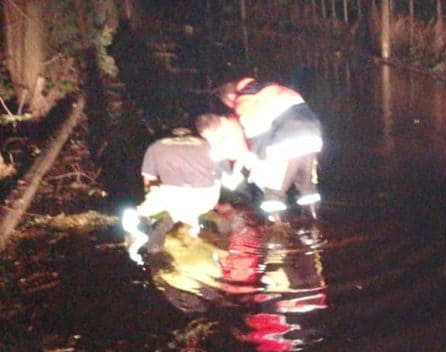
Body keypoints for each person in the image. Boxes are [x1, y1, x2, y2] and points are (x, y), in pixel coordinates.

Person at [121, 114, 236, 260]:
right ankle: (223, 249)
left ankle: (154, 245)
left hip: (170, 199)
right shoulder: (208, 145)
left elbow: (148, 183)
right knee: (210, 208)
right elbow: (226, 176)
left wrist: (154, 207)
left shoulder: (155, 147)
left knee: (147, 213)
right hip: (205, 199)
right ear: (191, 130)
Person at [217, 77, 323, 222]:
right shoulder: (275, 89)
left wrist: (255, 163)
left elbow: (255, 137)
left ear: (230, 98)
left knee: (273, 193)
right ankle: (315, 224)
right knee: (307, 187)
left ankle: (277, 233)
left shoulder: (245, 102)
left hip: (285, 140)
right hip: (313, 137)